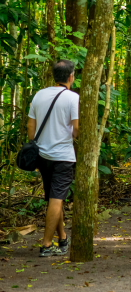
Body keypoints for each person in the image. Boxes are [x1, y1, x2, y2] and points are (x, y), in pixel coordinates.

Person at [27, 60, 80, 257]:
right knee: (57, 199)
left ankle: (63, 237)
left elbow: (31, 127)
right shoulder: (72, 97)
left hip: (42, 155)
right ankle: (47, 244)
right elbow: (76, 128)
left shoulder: (39, 95)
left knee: (53, 199)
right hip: (63, 156)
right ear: (71, 76)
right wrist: (72, 137)